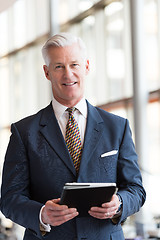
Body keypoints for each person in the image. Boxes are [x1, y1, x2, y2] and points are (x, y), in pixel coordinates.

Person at [0, 32, 146, 240]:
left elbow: (136, 189)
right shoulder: (24, 132)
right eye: (59, 66)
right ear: (47, 72)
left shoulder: (117, 127)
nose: (68, 74)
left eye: (74, 65)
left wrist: (119, 203)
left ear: (86, 66)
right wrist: (42, 214)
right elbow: (9, 199)